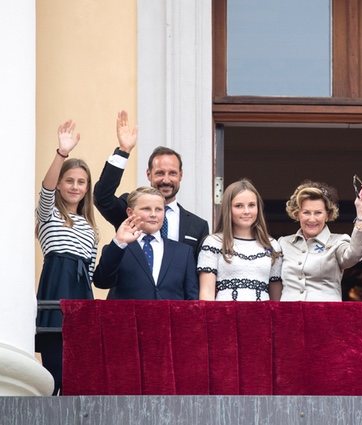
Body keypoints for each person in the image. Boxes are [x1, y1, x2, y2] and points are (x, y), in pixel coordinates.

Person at [35, 120, 98, 395]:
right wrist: (62, 154)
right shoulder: (48, 214)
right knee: (55, 370)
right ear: (60, 185)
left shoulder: (91, 229)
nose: (75, 186)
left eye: (80, 182)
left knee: (78, 371)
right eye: (69, 181)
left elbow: (91, 273)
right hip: (55, 289)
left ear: (87, 188)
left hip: (81, 294)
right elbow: (45, 189)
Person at [93, 110, 209, 257]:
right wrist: (123, 151)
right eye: (160, 173)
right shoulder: (130, 208)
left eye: (172, 173)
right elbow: (101, 197)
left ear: (181, 175)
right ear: (148, 174)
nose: (166, 180)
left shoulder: (198, 226)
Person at [93, 187, 198, 300]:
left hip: (170, 317)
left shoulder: (183, 252)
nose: (153, 214)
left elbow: (191, 298)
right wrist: (119, 242)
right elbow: (101, 282)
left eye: (158, 209)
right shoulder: (118, 248)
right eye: (146, 209)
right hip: (128, 317)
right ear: (130, 212)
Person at [279, 180, 362, 301]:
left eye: (318, 213)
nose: (312, 219)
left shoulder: (338, 242)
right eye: (306, 212)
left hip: (325, 315)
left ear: (327, 215)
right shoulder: (283, 243)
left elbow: (354, 255)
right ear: (297, 214)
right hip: (288, 316)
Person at [197, 179, 282, 301]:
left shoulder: (272, 244)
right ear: (228, 209)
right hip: (224, 317)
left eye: (252, 205)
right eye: (239, 206)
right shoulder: (213, 242)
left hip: (262, 318)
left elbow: (276, 298)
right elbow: (207, 292)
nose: (246, 211)